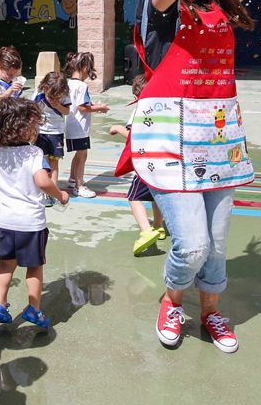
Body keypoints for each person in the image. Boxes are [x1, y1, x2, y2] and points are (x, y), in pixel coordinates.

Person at [115, 0, 261, 352]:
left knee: (218, 246)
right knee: (193, 245)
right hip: (168, 139)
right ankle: (171, 299)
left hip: (218, 137)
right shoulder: (157, 0)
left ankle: (212, 312)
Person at [0, 97, 69, 329]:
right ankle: (34, 309)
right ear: (26, 128)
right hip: (30, 222)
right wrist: (59, 194)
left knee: (5, 265)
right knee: (34, 267)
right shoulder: (34, 153)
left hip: (4, 220)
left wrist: (3, 181)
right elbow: (42, 181)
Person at [109, 75, 166, 257]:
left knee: (134, 197)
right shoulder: (164, 108)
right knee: (156, 194)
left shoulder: (141, 110)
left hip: (146, 162)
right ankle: (159, 226)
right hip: (163, 159)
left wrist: (118, 128)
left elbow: (134, 137)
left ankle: (146, 231)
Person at [64, 52, 109, 199]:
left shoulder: (68, 83)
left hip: (70, 125)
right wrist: (100, 107)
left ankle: (72, 179)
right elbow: (83, 107)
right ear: (84, 67)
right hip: (79, 128)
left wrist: (93, 105)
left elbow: (78, 104)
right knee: (82, 155)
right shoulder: (82, 86)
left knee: (79, 154)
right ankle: (79, 185)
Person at [33, 71, 71, 206]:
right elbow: (33, 109)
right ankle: (42, 191)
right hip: (41, 131)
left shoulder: (65, 94)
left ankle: (53, 191)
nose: (53, 97)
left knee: (53, 163)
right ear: (45, 87)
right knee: (41, 162)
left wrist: (58, 105)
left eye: (57, 95)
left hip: (56, 131)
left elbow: (67, 111)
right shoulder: (39, 92)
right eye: (50, 94)